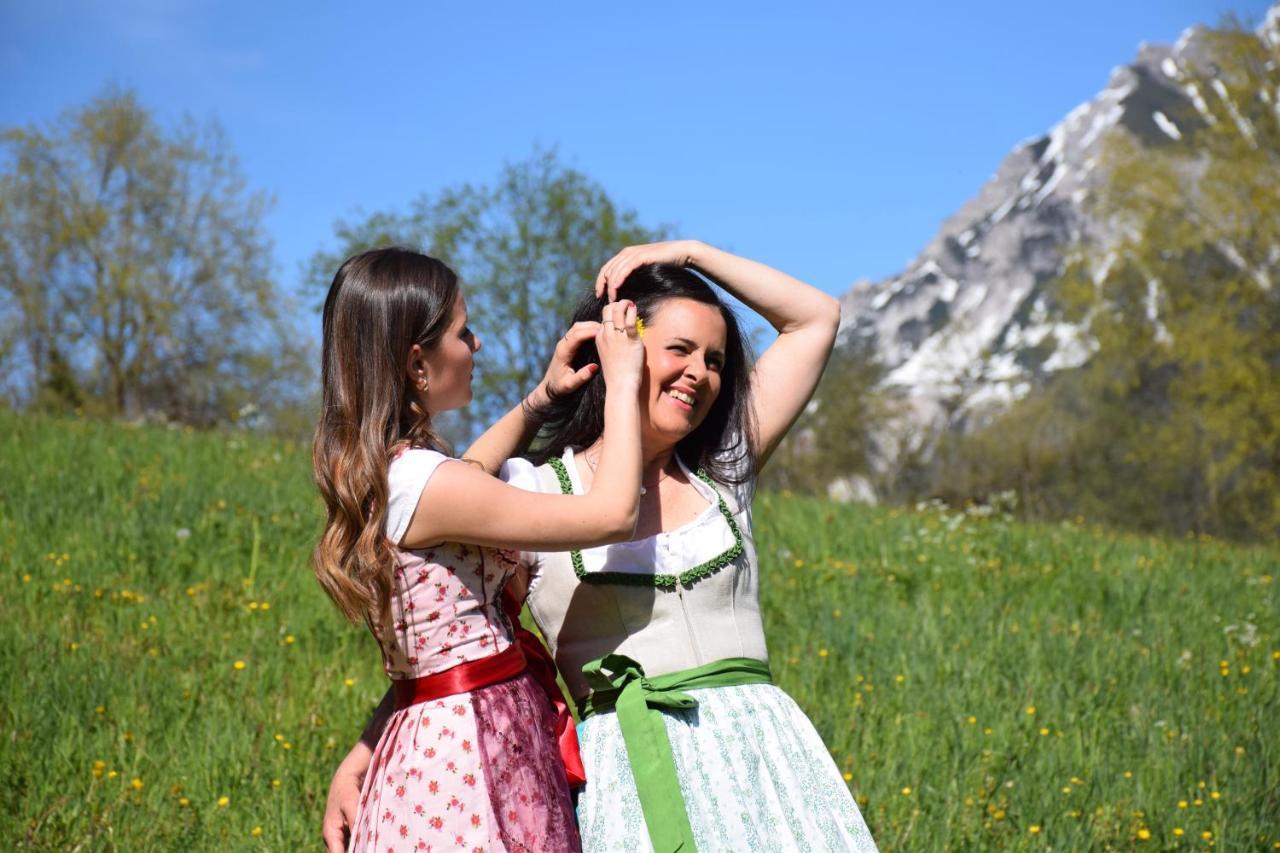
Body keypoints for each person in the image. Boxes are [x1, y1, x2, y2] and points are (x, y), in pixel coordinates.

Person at [327, 241, 878, 851]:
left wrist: (690, 253)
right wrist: (369, 744)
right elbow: (459, 632)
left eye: (715, 360)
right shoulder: (537, 489)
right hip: (628, 780)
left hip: (764, 768)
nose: (701, 372)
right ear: (623, 350)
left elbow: (815, 317)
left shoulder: (724, 471)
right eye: (678, 349)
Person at [313, 247, 647, 853]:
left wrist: (542, 398)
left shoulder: (404, 476)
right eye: (463, 333)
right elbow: (614, 513)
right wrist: (625, 380)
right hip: (466, 758)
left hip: (456, 738)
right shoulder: (425, 483)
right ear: (418, 363)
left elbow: (473, 469)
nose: (478, 344)